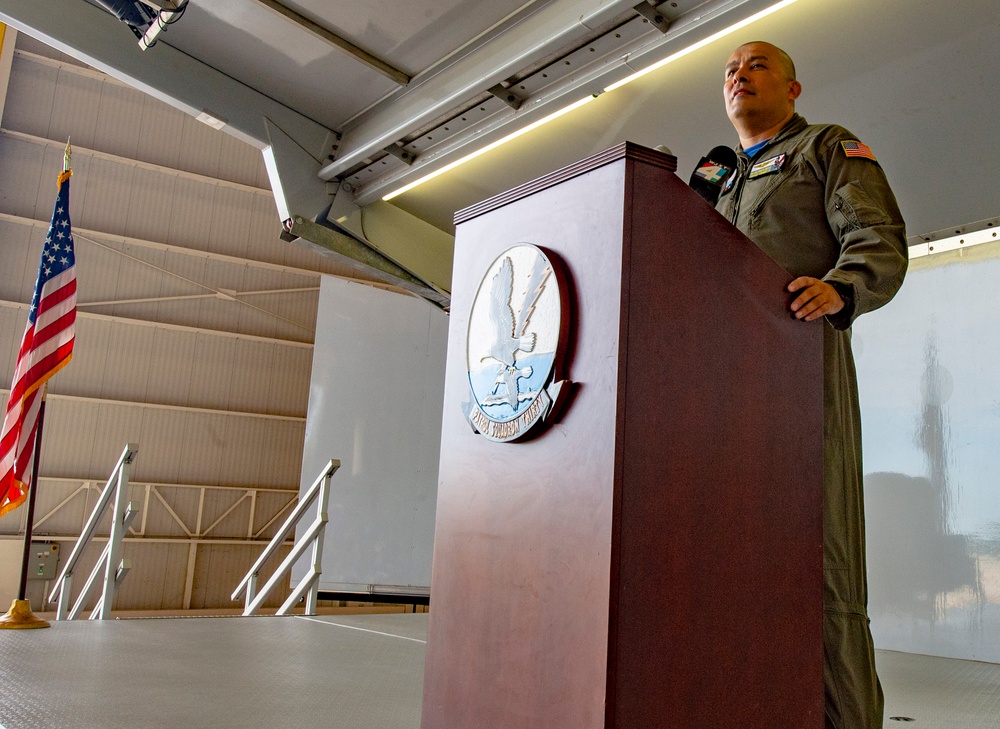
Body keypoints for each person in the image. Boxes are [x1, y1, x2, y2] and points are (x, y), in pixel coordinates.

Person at [715, 42, 908, 729]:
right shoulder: (714, 178)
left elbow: (876, 235)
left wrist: (841, 287)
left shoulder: (826, 146)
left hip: (799, 368)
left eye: (757, 63)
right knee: (717, 563)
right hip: (709, 390)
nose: (740, 73)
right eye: (732, 69)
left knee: (818, 560)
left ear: (794, 88)